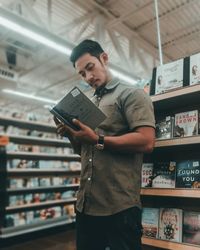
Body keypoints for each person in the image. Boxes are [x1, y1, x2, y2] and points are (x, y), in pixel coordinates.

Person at [54, 39, 155, 250]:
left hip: (120, 208)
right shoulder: (87, 102)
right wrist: (72, 135)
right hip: (86, 205)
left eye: (90, 67)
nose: (88, 77)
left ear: (104, 58)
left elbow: (146, 141)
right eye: (82, 74)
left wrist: (98, 139)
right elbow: (83, 151)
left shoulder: (131, 94)